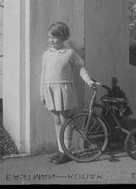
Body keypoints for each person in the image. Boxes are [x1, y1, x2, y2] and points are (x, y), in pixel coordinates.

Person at [40, 21, 95, 165]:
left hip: (63, 91)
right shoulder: (46, 54)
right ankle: (60, 149)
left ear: (63, 37)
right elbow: (43, 74)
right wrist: (42, 93)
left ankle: (66, 152)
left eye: (54, 37)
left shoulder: (69, 53)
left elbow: (80, 68)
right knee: (56, 121)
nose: (51, 40)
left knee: (65, 122)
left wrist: (88, 81)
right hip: (50, 90)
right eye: (49, 37)